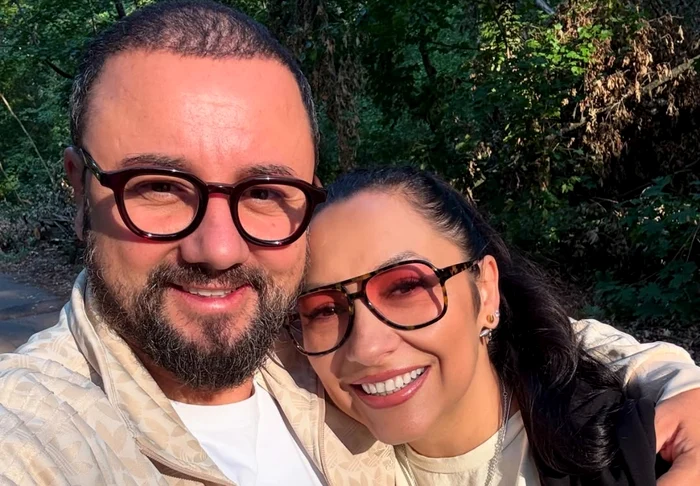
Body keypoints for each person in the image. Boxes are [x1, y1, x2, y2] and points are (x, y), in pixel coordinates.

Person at [0, 1, 698, 485]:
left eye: (264, 191)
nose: (218, 249)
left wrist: (674, 380)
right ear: (79, 190)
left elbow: (534, 337)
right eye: (159, 186)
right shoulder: (41, 434)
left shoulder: (294, 342)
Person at [289, 166, 700, 485]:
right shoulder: (310, 443)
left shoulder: (624, 454)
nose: (366, 347)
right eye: (323, 310)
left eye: (405, 287)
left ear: (485, 292)